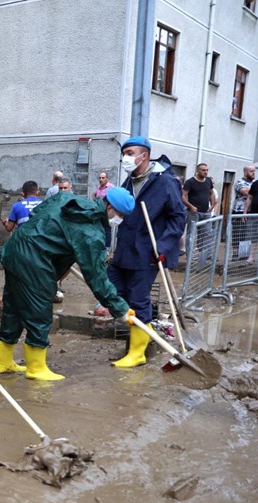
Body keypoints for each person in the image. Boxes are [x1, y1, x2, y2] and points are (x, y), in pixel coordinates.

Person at [0, 188, 135, 380]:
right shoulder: (91, 232)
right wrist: (120, 308)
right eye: (120, 214)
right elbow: (96, 277)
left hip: (15, 249)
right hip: (34, 260)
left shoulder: (69, 200)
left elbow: (37, 212)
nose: (120, 219)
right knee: (40, 310)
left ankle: (4, 362)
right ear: (109, 207)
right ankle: (36, 368)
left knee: (13, 307)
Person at [108, 136, 186, 368]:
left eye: (130, 153)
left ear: (145, 155)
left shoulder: (164, 182)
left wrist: (162, 246)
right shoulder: (128, 182)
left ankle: (137, 352)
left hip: (148, 252)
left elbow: (178, 217)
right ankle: (142, 339)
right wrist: (115, 218)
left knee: (139, 299)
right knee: (114, 292)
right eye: (124, 153)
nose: (126, 158)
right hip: (124, 250)